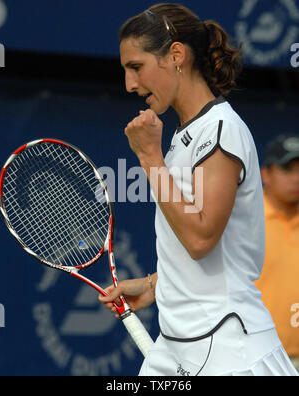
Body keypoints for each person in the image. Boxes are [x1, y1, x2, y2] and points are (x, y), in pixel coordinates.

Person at [99, 3, 298, 376]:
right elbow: (214, 255)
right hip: (179, 346)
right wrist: (155, 284)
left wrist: (149, 159)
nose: (129, 84)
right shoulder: (185, 135)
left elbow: (201, 238)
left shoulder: (221, 130)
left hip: (229, 350)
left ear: (176, 55)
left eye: (136, 67)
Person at [255, 135, 299, 372]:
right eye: (287, 169)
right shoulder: (243, 219)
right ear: (265, 174)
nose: (296, 178)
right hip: (257, 359)